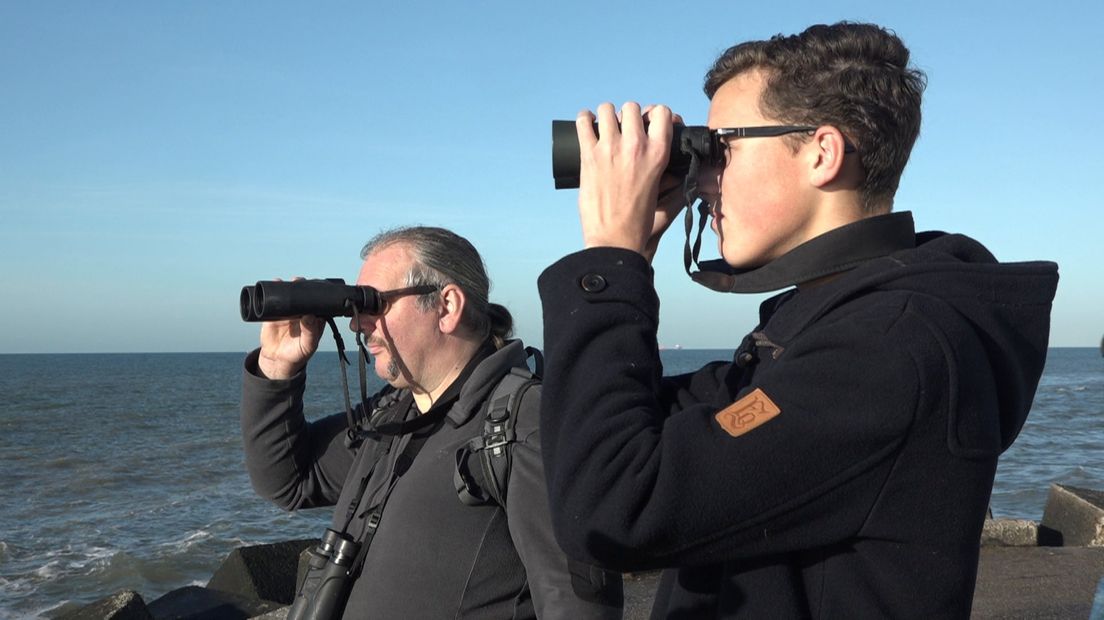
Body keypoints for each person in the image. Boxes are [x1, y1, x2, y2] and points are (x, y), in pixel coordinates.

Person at [537, 22, 1058, 618]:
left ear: (822, 152)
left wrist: (610, 261)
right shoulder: (814, 323)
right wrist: (630, 257)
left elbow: (614, 511)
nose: (703, 178)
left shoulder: (891, 349)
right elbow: (622, 435)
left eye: (721, 146)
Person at [241, 226, 622, 619]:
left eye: (373, 303)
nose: (358, 324)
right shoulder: (393, 416)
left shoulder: (522, 425)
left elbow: (577, 605)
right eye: (354, 306)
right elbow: (290, 481)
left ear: (446, 306)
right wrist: (276, 368)